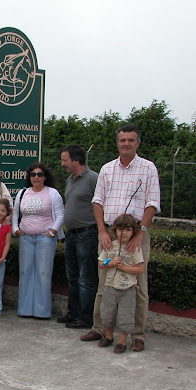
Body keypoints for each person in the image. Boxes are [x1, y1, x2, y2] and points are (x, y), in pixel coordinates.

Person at [81, 124, 161, 352]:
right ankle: (99, 328)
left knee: (138, 286)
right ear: (117, 142)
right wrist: (102, 231)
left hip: (136, 233)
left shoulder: (148, 168)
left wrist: (140, 232)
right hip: (109, 233)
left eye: (131, 140)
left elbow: (152, 203)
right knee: (104, 281)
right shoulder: (107, 169)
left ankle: (138, 335)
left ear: (138, 143)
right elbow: (98, 201)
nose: (126, 143)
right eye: (122, 140)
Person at [12, 163, 65, 319]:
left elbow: (61, 214)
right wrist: (16, 229)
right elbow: (15, 214)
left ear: (45, 176)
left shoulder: (52, 193)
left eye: (40, 174)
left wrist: (53, 231)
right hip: (26, 238)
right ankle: (25, 309)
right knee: (25, 272)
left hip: (45, 239)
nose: (36, 177)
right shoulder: (23, 193)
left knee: (43, 273)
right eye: (33, 174)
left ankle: (42, 311)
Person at [58, 144, 99, 329]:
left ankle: (85, 318)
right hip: (72, 235)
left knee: (86, 278)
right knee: (72, 277)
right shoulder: (70, 180)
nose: (62, 163)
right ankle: (72, 313)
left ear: (76, 160)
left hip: (87, 234)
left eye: (65, 160)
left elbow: (100, 204)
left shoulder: (93, 179)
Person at [96, 214, 145, 354]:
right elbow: (101, 263)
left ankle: (122, 342)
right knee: (107, 313)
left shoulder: (134, 248)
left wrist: (124, 267)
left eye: (128, 230)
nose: (123, 233)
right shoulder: (110, 246)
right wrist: (110, 263)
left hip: (127, 288)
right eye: (120, 229)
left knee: (125, 316)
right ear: (115, 230)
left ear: (133, 232)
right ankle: (109, 336)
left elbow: (140, 268)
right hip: (110, 286)